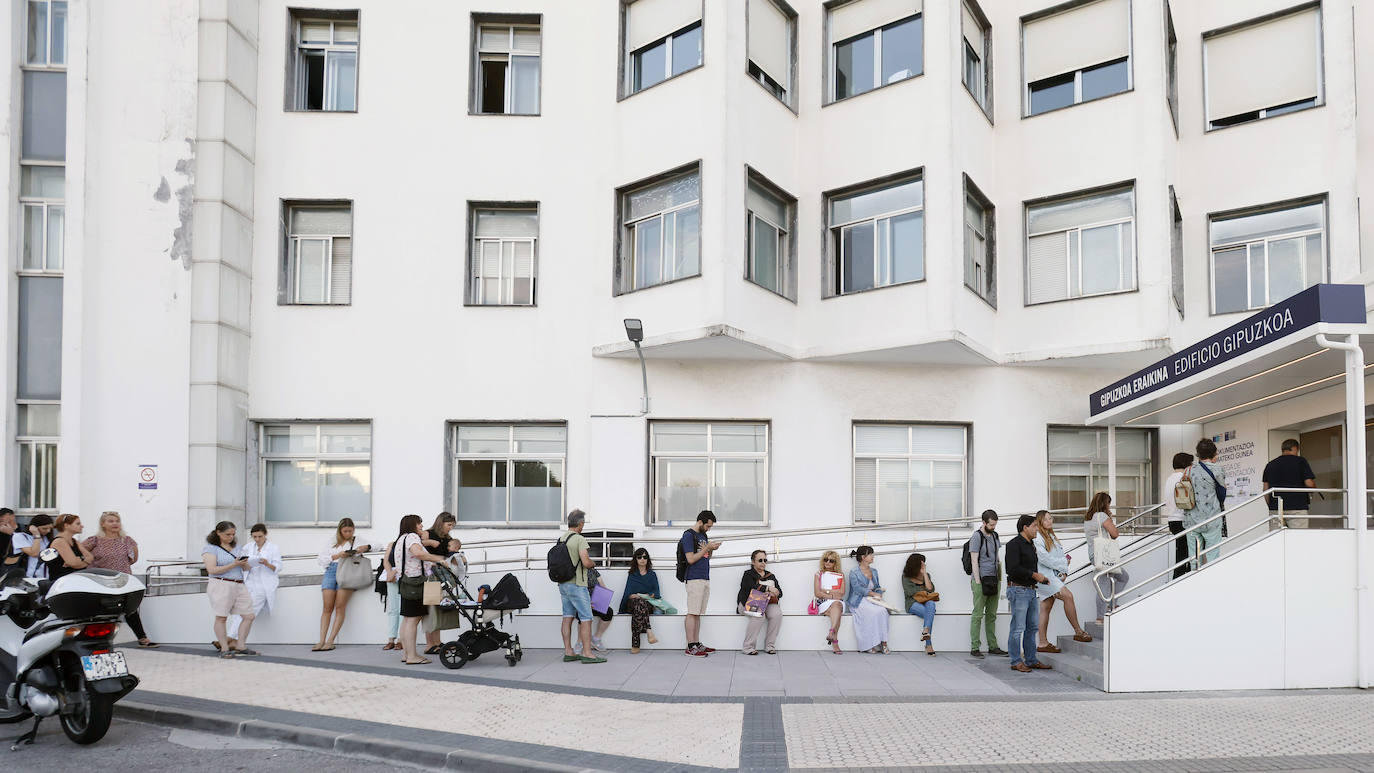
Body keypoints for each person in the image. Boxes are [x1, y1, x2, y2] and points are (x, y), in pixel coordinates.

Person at [83, 511, 159, 647]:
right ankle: (97, 640)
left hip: (123, 579)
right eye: (110, 521)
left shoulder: (127, 540)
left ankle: (142, 638)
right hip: (101, 580)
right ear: (103, 524)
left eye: (117, 521)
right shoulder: (94, 540)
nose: (115, 524)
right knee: (102, 611)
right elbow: (80, 552)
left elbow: (134, 559)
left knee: (130, 609)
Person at [1032, 510, 1092, 652]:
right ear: (1040, 521)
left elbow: (1059, 557)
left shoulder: (1051, 536)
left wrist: (1063, 571)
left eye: (1051, 518)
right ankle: (1078, 631)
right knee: (1068, 596)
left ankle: (1042, 642)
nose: (1050, 521)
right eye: (1046, 519)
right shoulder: (1038, 537)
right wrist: (1063, 565)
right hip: (1046, 577)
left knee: (1046, 607)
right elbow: (1044, 558)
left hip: (1054, 576)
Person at [392, 514, 446, 665]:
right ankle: (412, 656)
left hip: (405, 581)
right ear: (412, 525)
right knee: (413, 620)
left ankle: (406, 654)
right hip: (416, 582)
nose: (422, 526)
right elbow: (418, 553)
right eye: (419, 524)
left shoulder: (401, 539)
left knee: (407, 619)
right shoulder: (412, 537)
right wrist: (438, 559)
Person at [313, 517, 371, 652]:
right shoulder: (332, 541)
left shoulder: (357, 540)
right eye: (345, 531)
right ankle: (321, 640)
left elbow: (377, 545)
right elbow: (321, 559)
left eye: (350, 531)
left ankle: (330, 640)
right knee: (327, 608)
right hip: (331, 570)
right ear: (340, 530)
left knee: (340, 607)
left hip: (348, 572)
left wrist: (365, 548)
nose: (348, 534)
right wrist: (338, 555)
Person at [201, 521, 258, 658]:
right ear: (218, 533)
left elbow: (244, 567)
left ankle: (241, 645)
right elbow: (212, 569)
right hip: (221, 584)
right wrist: (234, 564)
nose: (231, 537)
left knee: (249, 615)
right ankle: (224, 648)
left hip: (239, 583)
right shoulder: (211, 549)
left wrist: (245, 564)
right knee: (221, 617)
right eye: (227, 534)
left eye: (233, 534)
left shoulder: (238, 547)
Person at [1005, 514, 1051, 673]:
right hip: (1018, 590)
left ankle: (1030, 660)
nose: (1037, 529)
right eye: (1035, 526)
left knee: (1032, 627)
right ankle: (1016, 661)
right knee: (1018, 628)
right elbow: (1011, 569)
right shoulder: (1013, 544)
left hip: (1031, 591)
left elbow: (1031, 568)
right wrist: (1033, 575)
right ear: (1025, 528)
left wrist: (1042, 578)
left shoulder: (1031, 545)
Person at [558, 509, 604, 664]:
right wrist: (593, 563)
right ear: (581, 523)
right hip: (577, 584)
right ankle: (587, 653)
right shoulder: (579, 539)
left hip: (563, 584)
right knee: (586, 618)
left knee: (567, 617)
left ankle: (568, 652)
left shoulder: (561, 538)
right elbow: (585, 562)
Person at [227, 523, 280, 648]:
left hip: (263, 586)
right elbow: (243, 566)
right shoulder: (247, 547)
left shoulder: (273, 548)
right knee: (240, 612)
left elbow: (278, 567)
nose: (257, 539)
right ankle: (233, 640)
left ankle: (228, 638)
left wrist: (266, 563)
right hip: (249, 583)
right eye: (254, 537)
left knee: (248, 612)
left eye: (260, 536)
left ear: (265, 535)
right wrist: (244, 563)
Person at [679, 510, 721, 657]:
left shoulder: (703, 535)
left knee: (698, 613)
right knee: (692, 612)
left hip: (704, 577)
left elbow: (705, 557)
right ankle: (690, 646)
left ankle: (696, 643)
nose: (709, 529)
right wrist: (707, 547)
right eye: (708, 526)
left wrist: (711, 549)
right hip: (694, 578)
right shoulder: (688, 535)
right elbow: (690, 559)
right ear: (700, 522)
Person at [1085, 493, 1132, 622]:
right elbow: (1115, 534)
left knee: (1121, 577)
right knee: (1105, 585)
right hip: (1104, 555)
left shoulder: (1088, 518)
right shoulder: (1102, 516)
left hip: (1094, 555)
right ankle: (1100, 616)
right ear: (1104, 504)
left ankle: (1111, 605)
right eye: (1108, 503)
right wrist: (1110, 519)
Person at [968, 510, 1006, 658]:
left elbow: (996, 557)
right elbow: (973, 560)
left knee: (991, 614)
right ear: (984, 523)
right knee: (977, 614)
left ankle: (993, 646)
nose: (993, 527)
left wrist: (999, 578)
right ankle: (975, 647)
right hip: (981, 580)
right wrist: (977, 581)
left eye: (995, 524)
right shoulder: (976, 537)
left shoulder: (995, 535)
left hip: (994, 579)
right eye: (991, 524)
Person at [1184, 439, 1226, 569]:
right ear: (1213, 453)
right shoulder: (1217, 469)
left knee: (1194, 557)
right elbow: (1222, 494)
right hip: (1211, 518)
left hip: (1191, 518)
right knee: (1213, 554)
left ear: (1198, 454)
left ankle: (1194, 579)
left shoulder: (1188, 471)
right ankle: (1210, 582)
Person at [420, 512, 458, 654]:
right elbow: (416, 548)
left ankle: (437, 642)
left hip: (442, 575)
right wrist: (429, 543)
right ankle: (430, 644)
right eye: (449, 525)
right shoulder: (428, 534)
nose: (450, 528)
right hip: (431, 575)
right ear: (441, 523)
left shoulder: (448, 538)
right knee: (430, 610)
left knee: (439, 609)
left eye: (452, 526)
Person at [1262, 439, 1317, 528]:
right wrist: (1314, 489)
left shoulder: (1270, 465)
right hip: (1297, 507)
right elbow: (1309, 483)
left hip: (1276, 508)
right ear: (1295, 448)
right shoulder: (1300, 461)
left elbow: (1265, 489)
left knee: (1278, 538)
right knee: (1298, 538)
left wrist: (1271, 506)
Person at [845, 545, 890, 655]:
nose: (873, 556)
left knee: (884, 611)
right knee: (874, 612)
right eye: (871, 554)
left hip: (872, 600)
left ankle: (883, 643)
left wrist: (879, 594)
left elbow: (877, 586)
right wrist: (872, 593)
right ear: (863, 557)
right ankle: (868, 644)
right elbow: (857, 589)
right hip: (858, 600)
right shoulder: (854, 572)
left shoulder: (874, 571)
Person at [738, 550, 783, 655]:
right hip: (747, 603)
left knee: (777, 614)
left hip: (767, 603)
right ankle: (748, 647)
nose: (763, 562)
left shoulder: (770, 576)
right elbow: (750, 587)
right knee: (759, 614)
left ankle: (769, 646)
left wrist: (774, 593)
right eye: (760, 560)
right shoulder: (748, 574)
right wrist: (768, 588)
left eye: (765, 560)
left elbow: (780, 592)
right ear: (753, 562)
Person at [620, 547, 662, 653]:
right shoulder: (632, 574)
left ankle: (635, 645)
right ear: (636, 559)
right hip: (632, 604)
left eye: (645, 557)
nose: (642, 559)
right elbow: (627, 594)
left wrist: (643, 596)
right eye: (639, 557)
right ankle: (649, 631)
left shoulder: (652, 575)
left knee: (640, 605)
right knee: (638, 604)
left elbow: (656, 593)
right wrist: (633, 596)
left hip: (647, 603)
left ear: (648, 559)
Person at [1164, 452, 1194, 579]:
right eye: (1191, 463)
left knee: (1181, 552)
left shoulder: (1170, 478)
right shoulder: (1183, 478)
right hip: (1182, 519)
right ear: (1186, 464)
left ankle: (1178, 579)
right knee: (1185, 555)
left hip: (1172, 520)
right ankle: (1179, 580)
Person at [902, 553, 937, 656]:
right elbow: (909, 592)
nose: (923, 565)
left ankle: (926, 631)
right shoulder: (906, 576)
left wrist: (924, 573)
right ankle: (928, 645)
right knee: (929, 613)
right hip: (912, 604)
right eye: (921, 564)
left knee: (931, 603)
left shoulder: (927, 575)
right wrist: (923, 591)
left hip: (926, 603)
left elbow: (931, 590)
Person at [44, 514, 94, 582]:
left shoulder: (74, 541)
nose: (82, 526)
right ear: (66, 525)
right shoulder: (59, 541)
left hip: (73, 581)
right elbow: (73, 563)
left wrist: (78, 560)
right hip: (61, 583)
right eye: (78, 524)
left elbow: (90, 557)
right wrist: (83, 559)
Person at [814, 551, 846, 654]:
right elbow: (817, 593)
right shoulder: (819, 574)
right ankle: (834, 640)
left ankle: (832, 632)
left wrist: (826, 590)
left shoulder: (840, 575)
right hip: (823, 602)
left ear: (835, 563)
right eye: (825, 559)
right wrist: (831, 595)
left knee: (836, 605)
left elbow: (841, 593)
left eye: (831, 561)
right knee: (837, 609)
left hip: (837, 602)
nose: (827, 562)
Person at [11, 514, 54, 579]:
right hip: (30, 576)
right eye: (44, 528)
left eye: (50, 528)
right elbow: (34, 553)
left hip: (47, 576)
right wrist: (36, 535)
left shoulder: (46, 538)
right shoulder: (20, 536)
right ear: (34, 527)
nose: (48, 531)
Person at [380, 535, 402, 651]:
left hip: (404, 574)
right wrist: (390, 572)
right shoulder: (392, 544)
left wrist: (394, 571)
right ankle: (391, 639)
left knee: (403, 609)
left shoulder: (411, 543)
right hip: (391, 576)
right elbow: (386, 560)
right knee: (393, 608)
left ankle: (401, 639)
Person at [0, 508, 22, 580]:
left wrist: (12, 533)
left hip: (19, 563)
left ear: (12, 516)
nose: (1, 518)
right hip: (4, 563)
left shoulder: (23, 529)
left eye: (3, 516)